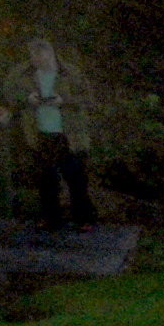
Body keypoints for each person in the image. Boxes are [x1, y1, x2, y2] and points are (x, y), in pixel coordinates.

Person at [24, 37, 99, 230]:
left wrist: (64, 101)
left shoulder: (71, 74)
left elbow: (88, 100)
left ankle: (84, 219)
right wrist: (27, 97)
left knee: (76, 178)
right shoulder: (26, 74)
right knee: (46, 179)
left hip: (68, 135)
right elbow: (8, 91)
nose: (36, 61)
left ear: (50, 54)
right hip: (41, 134)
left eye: (39, 57)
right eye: (33, 57)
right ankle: (51, 218)